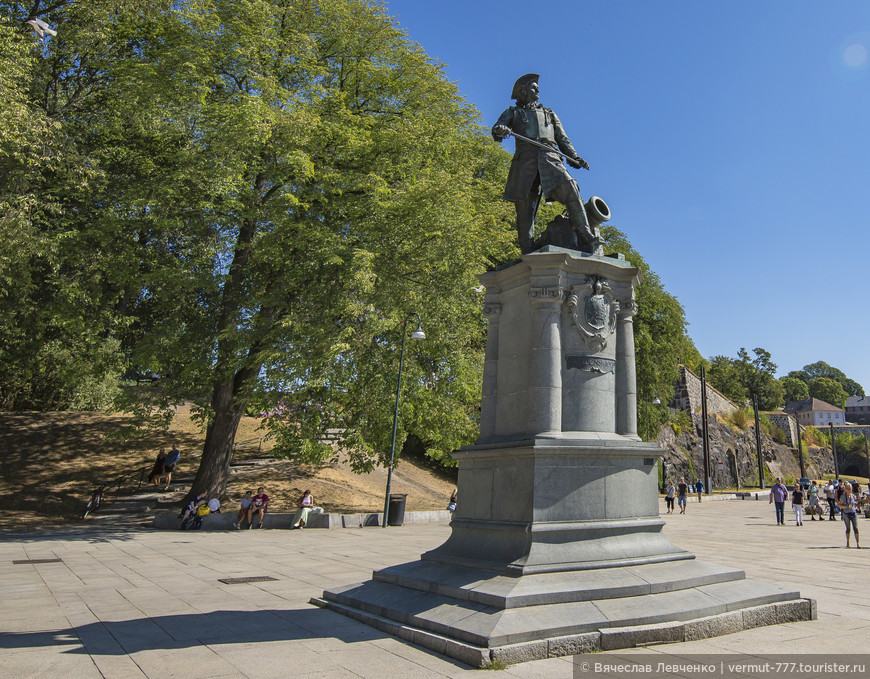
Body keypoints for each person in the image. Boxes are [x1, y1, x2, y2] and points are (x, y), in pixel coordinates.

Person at [491, 74, 601, 255]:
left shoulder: (549, 113)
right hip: (525, 162)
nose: (538, 90)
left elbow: (562, 139)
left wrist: (574, 157)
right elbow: (497, 129)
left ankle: (584, 234)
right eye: (534, 87)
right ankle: (527, 248)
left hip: (550, 157)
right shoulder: (513, 112)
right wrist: (500, 129)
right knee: (526, 207)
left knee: (571, 188)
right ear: (523, 91)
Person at [838, 482, 861, 548]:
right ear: (845, 489)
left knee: (856, 528)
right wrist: (846, 506)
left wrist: (858, 501)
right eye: (848, 488)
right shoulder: (843, 496)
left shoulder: (853, 496)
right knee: (848, 529)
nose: (849, 490)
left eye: (850, 489)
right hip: (846, 514)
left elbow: (855, 502)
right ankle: (848, 542)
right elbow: (840, 505)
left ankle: (858, 543)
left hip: (853, 513)